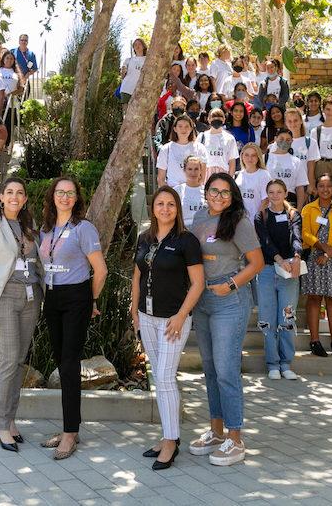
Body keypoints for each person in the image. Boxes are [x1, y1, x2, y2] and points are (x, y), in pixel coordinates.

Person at [188, 173, 264, 466]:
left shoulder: (239, 222)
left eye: (224, 193)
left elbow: (257, 263)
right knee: (209, 369)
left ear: (232, 197)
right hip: (203, 300)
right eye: (213, 191)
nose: (218, 197)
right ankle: (217, 432)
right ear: (205, 193)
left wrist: (231, 284)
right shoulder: (198, 216)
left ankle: (235, 439)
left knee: (226, 369)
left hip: (229, 300)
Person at [132, 186, 203, 470]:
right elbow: (137, 276)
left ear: (178, 208)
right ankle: (166, 435)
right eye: (160, 204)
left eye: (170, 204)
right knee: (159, 379)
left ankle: (172, 441)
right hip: (146, 318)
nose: (165, 209)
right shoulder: (144, 238)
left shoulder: (187, 241)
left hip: (173, 320)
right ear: (153, 208)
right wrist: (134, 312)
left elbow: (198, 283)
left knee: (164, 377)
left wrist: (181, 315)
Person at [39, 177, 108, 460]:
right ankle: (71, 426)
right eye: (60, 192)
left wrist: (89, 300)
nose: (65, 197)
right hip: (52, 298)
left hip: (76, 297)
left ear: (77, 198)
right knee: (62, 363)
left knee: (69, 365)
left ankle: (70, 433)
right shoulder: (46, 230)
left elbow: (100, 270)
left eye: (70, 193)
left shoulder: (83, 228)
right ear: (52, 196)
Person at [0, 177, 42, 452]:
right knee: (8, 360)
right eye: (9, 192)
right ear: (1, 197)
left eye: (20, 193)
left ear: (25, 199)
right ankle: (1, 425)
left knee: (18, 362)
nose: (15, 197)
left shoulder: (29, 226)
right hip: (4, 297)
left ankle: (11, 421)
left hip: (31, 297)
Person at [254, 179, 304, 381]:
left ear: (285, 193)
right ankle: (273, 363)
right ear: (267, 194)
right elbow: (265, 241)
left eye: (279, 192)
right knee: (267, 317)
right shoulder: (261, 216)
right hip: (267, 270)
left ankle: (286, 363)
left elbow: (297, 236)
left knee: (287, 317)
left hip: (288, 272)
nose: (275, 196)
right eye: (271, 192)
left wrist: (297, 257)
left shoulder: (293, 214)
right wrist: (279, 259)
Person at [302, 173, 332, 358]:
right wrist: (322, 249)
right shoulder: (308, 209)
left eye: (328, 186)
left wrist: (329, 253)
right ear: (316, 188)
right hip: (315, 257)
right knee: (314, 298)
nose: (325, 189)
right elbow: (305, 233)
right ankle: (314, 341)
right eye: (321, 186)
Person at [272, 108, 320, 197]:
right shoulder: (279, 143)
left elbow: (311, 166)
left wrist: (310, 185)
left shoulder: (310, 142)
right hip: (283, 187)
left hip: (303, 186)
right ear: (286, 123)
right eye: (289, 121)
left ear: (301, 121)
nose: (293, 124)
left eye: (295, 120)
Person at [156, 115, 209, 188]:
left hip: (194, 191)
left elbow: (203, 176)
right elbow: (160, 179)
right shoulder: (166, 149)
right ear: (175, 129)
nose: (183, 129)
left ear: (191, 129)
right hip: (173, 191)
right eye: (180, 126)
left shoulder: (200, 148)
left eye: (186, 126)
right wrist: (171, 193)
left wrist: (193, 189)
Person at [265, 128, 308, 209]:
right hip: (269, 202)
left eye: (288, 140)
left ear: (292, 141)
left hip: (290, 202)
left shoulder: (297, 161)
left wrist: (298, 210)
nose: (284, 142)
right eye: (281, 139)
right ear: (275, 139)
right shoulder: (265, 158)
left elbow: (300, 188)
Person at [235, 143, 271, 222]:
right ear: (242, 156)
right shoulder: (238, 174)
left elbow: (265, 201)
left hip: (255, 221)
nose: (249, 158)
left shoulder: (263, 174)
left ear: (258, 157)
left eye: (253, 155)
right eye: (246, 155)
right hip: (240, 221)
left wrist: (257, 220)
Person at [198, 109, 238, 180]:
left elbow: (232, 161)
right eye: (213, 116)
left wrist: (230, 179)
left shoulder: (230, 138)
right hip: (205, 173)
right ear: (208, 119)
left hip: (223, 173)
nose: (216, 119)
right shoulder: (202, 137)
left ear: (224, 119)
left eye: (220, 116)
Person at [174, 155, 206, 226]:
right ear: (184, 170)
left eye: (196, 169)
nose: (193, 173)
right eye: (190, 169)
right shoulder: (177, 190)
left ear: (201, 170)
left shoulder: (206, 192)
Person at [119, 38, 148, 104]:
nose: (137, 46)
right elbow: (122, 76)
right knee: (125, 113)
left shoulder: (148, 60)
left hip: (140, 91)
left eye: (139, 44)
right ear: (133, 48)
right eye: (135, 45)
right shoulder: (128, 60)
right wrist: (123, 71)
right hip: (127, 89)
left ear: (144, 46)